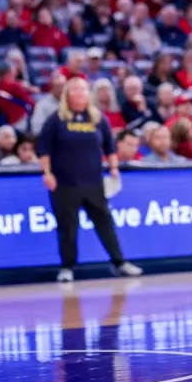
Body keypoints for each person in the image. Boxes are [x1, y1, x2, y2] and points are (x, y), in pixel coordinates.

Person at [37, 77, 143, 283]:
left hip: (93, 182)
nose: (80, 93)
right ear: (67, 94)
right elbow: (43, 148)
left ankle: (119, 262)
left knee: (105, 223)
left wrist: (113, 168)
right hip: (65, 183)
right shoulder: (57, 119)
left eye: (84, 89)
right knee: (68, 227)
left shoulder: (97, 119)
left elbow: (110, 147)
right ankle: (67, 267)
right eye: (75, 89)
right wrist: (47, 173)